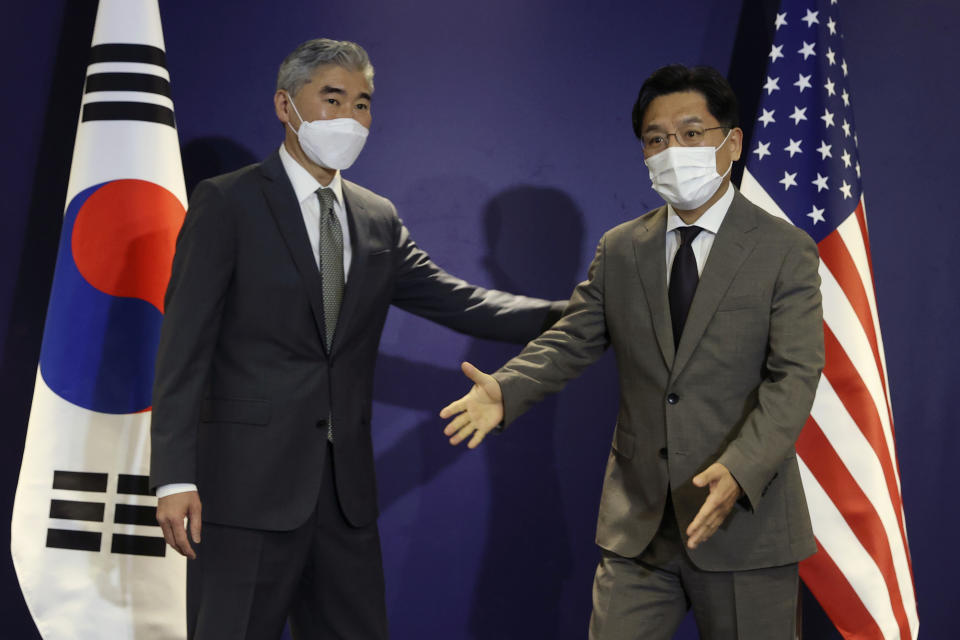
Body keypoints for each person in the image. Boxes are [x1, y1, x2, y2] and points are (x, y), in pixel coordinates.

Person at [150, 38, 564, 639]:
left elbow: (464, 302)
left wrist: (583, 313)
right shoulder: (226, 202)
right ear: (285, 106)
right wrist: (174, 477)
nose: (350, 117)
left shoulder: (376, 217)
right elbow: (181, 351)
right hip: (244, 493)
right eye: (333, 98)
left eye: (363, 103)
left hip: (344, 500)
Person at [440, 64, 824, 639]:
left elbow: (794, 376)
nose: (674, 150)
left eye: (692, 134)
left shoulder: (784, 250)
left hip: (745, 521)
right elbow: (574, 336)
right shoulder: (622, 248)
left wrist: (742, 471)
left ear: (732, 142)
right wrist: (509, 387)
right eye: (656, 138)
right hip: (640, 525)